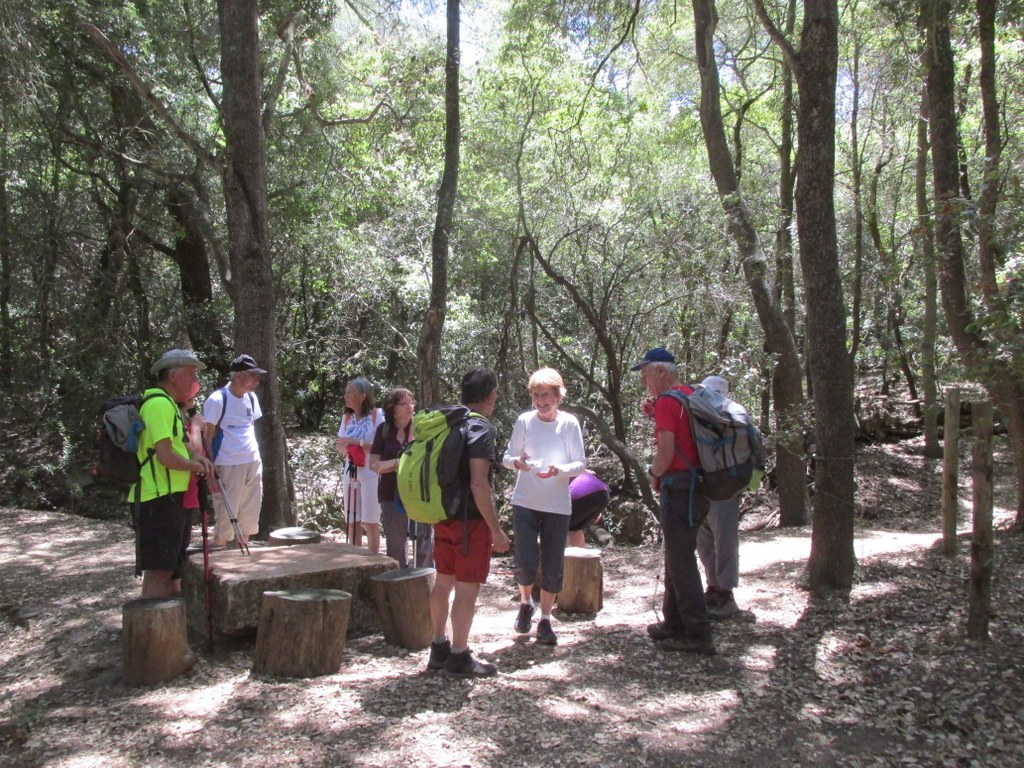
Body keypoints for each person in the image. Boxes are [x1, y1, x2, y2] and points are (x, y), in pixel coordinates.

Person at [427, 366, 510, 678]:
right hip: (469, 523)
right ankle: (460, 656)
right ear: (489, 397)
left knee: (443, 580)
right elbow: (479, 483)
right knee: (466, 588)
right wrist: (496, 529)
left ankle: (439, 647)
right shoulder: (480, 428)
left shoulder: (445, 421)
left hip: (441, 514)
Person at [633, 347, 716, 655]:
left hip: (680, 488)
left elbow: (666, 453)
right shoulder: (687, 395)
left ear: (661, 371)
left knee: (681, 561)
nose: (644, 380)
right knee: (677, 555)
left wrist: (654, 473)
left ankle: (698, 633)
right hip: (698, 486)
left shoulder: (670, 402)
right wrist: (654, 410)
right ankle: (674, 623)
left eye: (645, 373)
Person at [502, 368, 586, 645]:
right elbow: (506, 457)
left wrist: (559, 470)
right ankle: (526, 602)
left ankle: (546, 620)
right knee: (525, 561)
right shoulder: (525, 421)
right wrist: (518, 463)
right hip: (525, 501)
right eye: (536, 395)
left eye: (546, 395)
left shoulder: (570, 424)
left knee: (552, 564)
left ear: (558, 396)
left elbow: (580, 463)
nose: (540, 400)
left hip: (557, 505)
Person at [133, 349, 215, 598]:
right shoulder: (159, 404)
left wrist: (197, 457)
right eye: (191, 375)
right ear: (174, 376)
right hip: (158, 497)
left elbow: (178, 447)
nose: (194, 382)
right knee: (160, 569)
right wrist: (197, 466)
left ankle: (168, 625)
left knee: (171, 568)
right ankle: (153, 632)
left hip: (171, 496)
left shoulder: (169, 405)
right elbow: (165, 456)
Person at [203, 354, 266, 547]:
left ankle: (244, 564)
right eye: (252, 375)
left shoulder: (252, 399)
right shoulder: (217, 400)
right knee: (225, 520)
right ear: (238, 376)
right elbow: (207, 436)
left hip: (253, 462)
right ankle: (220, 566)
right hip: (227, 465)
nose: (256, 380)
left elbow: (249, 426)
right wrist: (210, 473)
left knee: (248, 518)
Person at [369, 387, 433, 568]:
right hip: (390, 495)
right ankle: (399, 587)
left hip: (420, 494)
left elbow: (422, 461)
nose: (409, 406)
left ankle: (425, 585)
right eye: (403, 403)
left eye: (411, 402)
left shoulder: (422, 428)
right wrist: (403, 464)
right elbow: (373, 464)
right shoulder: (383, 429)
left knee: (424, 544)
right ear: (392, 409)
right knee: (395, 546)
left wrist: (392, 464)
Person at [696, 375, 742, 619]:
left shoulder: (726, 415)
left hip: (723, 487)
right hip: (709, 486)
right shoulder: (725, 413)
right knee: (705, 540)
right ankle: (714, 588)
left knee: (723, 541)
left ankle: (727, 595)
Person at [335, 377, 383, 553]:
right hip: (351, 470)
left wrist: (357, 442)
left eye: (350, 392)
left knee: (371, 520)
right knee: (352, 519)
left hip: (371, 471)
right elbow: (340, 443)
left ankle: (374, 560)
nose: (346, 396)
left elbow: (381, 446)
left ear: (363, 396)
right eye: (346, 392)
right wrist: (343, 447)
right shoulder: (347, 418)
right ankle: (354, 559)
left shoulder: (377, 416)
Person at [567, 470, 611, 548]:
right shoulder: (577, 467)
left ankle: (553, 558)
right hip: (603, 493)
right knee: (575, 529)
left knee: (557, 527)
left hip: (580, 495)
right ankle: (580, 558)